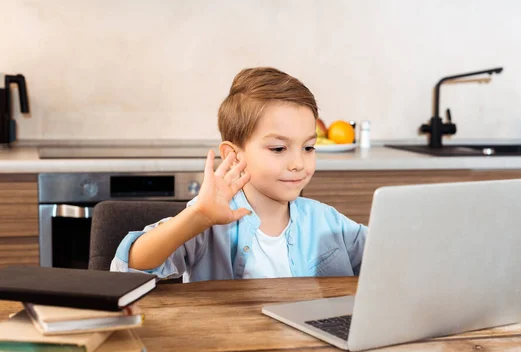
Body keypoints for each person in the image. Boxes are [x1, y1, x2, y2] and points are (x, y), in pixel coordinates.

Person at [110, 67, 367, 282]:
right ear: (234, 155)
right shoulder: (208, 220)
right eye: (279, 148)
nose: (299, 163)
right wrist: (197, 216)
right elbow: (128, 268)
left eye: (308, 147)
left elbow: (390, 254)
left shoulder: (327, 221)